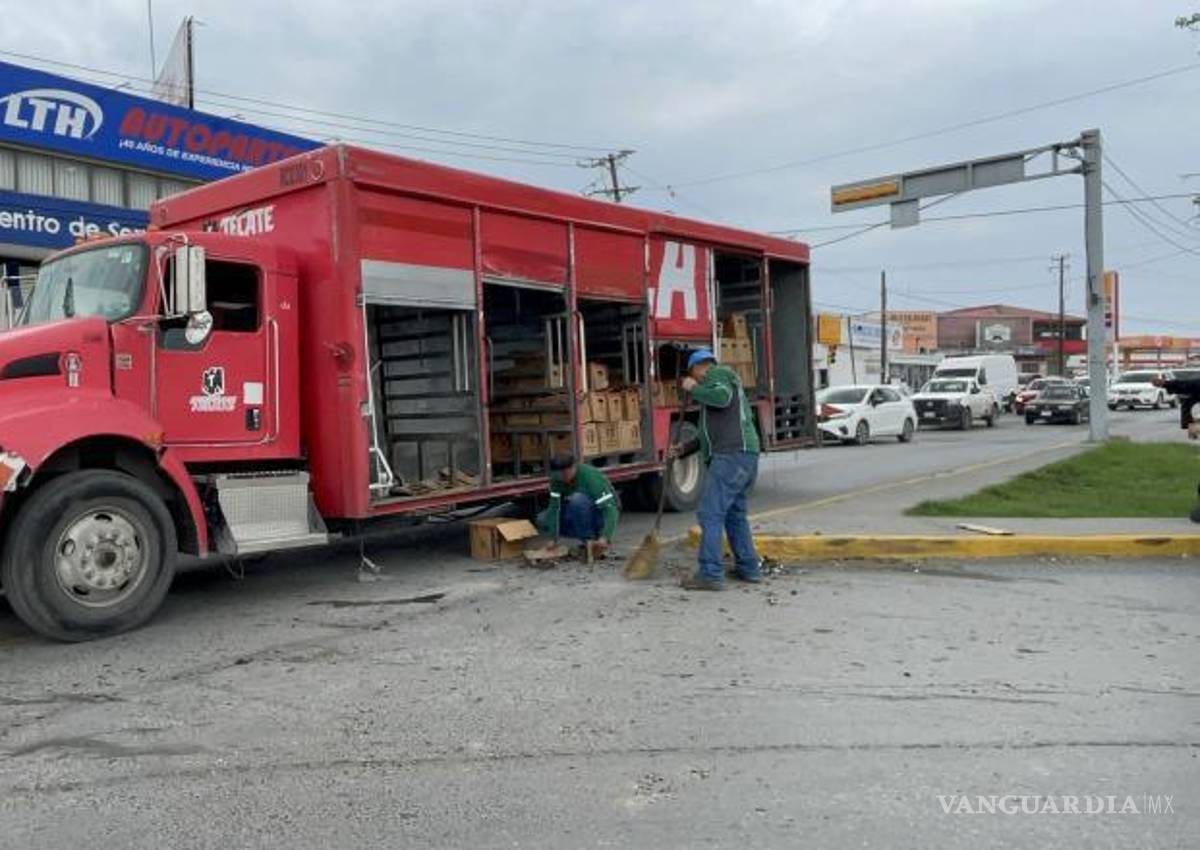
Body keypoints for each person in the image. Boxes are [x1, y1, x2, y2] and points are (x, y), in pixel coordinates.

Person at [671, 348, 762, 590]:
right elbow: (708, 434)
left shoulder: (718, 374)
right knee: (734, 515)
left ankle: (710, 573)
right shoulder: (716, 384)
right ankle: (749, 567)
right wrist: (684, 449)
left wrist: (693, 388)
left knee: (710, 513)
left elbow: (722, 398)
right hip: (742, 454)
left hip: (731, 455)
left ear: (699, 366)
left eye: (694, 374)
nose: (696, 378)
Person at [536, 454, 619, 554]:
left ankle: (590, 541)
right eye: (558, 475)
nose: (562, 478)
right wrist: (552, 539)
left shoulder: (590, 478)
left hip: (598, 516)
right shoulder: (556, 480)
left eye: (564, 474)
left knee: (577, 499)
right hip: (580, 512)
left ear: (573, 467)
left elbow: (610, 510)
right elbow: (554, 509)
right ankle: (586, 538)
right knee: (542, 519)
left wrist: (605, 537)